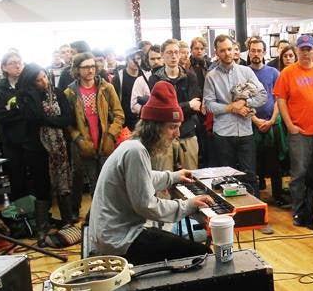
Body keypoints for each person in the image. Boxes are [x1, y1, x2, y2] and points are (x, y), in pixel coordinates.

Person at [88, 81, 213, 265]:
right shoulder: (136, 152)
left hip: (115, 234)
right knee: (202, 254)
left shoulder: (134, 146)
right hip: (119, 242)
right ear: (154, 127)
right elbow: (147, 205)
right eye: (172, 127)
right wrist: (187, 205)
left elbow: (143, 179)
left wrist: (174, 177)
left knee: (181, 244)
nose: (177, 133)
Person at [272, 34, 313, 227]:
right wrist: (290, 125)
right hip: (299, 133)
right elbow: (281, 100)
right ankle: (299, 210)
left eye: (309, 49)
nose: (306, 53)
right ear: (297, 51)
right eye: (302, 49)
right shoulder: (287, 73)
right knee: (298, 174)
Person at [20, 63, 78, 244]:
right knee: (41, 187)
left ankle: (68, 223)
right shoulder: (26, 97)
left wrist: (48, 120)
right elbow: (34, 117)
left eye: (44, 77)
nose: (43, 82)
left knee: (63, 184)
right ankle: (42, 229)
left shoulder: (58, 93)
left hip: (59, 147)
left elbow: (68, 119)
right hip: (36, 149)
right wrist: (53, 119)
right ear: (30, 82)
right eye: (38, 80)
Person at [64, 52, 124, 220]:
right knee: (90, 178)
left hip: (105, 140)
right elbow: (67, 122)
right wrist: (78, 139)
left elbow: (119, 114)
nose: (90, 70)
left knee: (107, 179)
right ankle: (91, 214)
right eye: (85, 67)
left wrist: (111, 135)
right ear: (77, 70)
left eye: (92, 66)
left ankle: (103, 214)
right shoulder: (70, 92)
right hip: (84, 142)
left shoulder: (106, 87)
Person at [204, 35, 266, 195]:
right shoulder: (211, 76)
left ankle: (255, 215)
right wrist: (231, 108)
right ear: (216, 53)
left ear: (235, 50)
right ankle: (233, 215)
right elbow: (209, 104)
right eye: (222, 50)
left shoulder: (246, 72)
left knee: (250, 175)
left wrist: (245, 103)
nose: (227, 53)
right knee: (227, 177)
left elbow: (263, 96)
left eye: (229, 49)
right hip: (224, 133)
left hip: (245, 131)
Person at [148, 38, 204, 172]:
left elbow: (195, 107)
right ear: (162, 55)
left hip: (187, 132)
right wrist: (187, 105)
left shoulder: (190, 76)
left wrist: (174, 108)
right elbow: (159, 111)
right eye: (169, 52)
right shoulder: (155, 79)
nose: (173, 56)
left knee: (191, 178)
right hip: (163, 136)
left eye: (176, 52)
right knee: (163, 182)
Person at [246, 37, 286, 207]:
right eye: (253, 50)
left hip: (272, 123)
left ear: (264, 52)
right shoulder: (243, 72)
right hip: (250, 124)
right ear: (249, 52)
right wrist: (255, 120)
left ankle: (278, 195)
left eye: (259, 50)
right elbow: (241, 99)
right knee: (253, 164)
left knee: (275, 162)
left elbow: (279, 98)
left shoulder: (273, 73)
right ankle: (254, 198)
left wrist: (271, 120)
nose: (256, 54)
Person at [0, 51, 30, 200]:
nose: (17, 65)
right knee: (16, 177)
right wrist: (21, 109)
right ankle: (20, 211)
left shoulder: (28, 85)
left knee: (33, 176)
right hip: (11, 141)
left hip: (29, 138)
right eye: (12, 63)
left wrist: (13, 109)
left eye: (19, 62)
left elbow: (33, 111)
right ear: (4, 67)